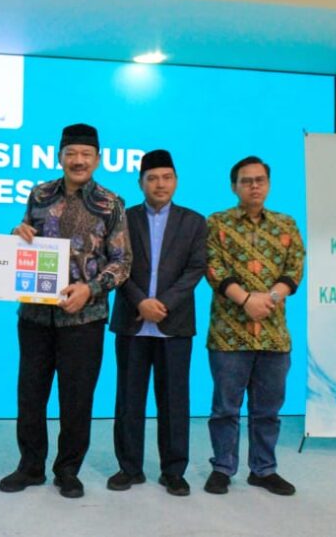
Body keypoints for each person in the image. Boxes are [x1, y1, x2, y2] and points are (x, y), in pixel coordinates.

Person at [0, 123, 131, 499]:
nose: (78, 160)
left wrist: (90, 289)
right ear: (60, 157)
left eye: (86, 154)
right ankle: (30, 466)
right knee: (30, 395)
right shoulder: (39, 194)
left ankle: (68, 470)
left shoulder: (111, 203)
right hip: (36, 317)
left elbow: (122, 262)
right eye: (71, 153)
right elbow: (25, 242)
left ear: (98, 159)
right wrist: (18, 235)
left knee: (76, 399)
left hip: (84, 319)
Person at [203, 155, 305, 496]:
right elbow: (213, 267)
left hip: (274, 335)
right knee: (225, 409)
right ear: (234, 186)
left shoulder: (286, 224)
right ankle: (222, 468)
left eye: (260, 180)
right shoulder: (217, 223)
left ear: (269, 184)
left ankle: (263, 470)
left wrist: (270, 298)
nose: (254, 186)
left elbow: (295, 268)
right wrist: (246, 299)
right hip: (228, 333)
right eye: (246, 181)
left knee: (268, 411)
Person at [107, 149, 207, 497]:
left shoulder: (194, 222)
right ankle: (129, 468)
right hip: (132, 322)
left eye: (166, 177)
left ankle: (174, 471)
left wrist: (163, 304)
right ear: (141, 183)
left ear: (176, 181)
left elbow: (196, 268)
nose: (160, 184)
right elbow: (115, 263)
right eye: (152, 178)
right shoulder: (124, 218)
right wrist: (140, 301)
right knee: (128, 400)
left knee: (174, 401)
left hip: (173, 323)